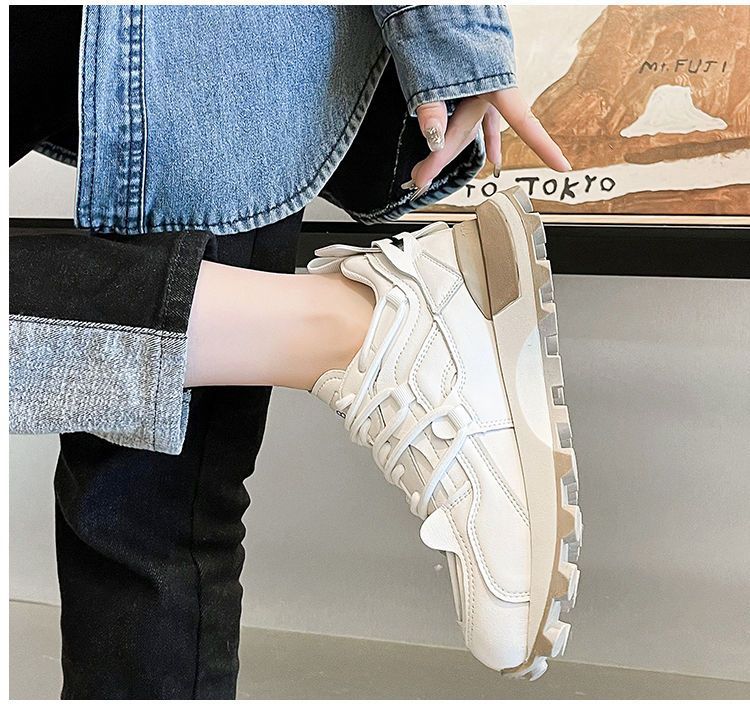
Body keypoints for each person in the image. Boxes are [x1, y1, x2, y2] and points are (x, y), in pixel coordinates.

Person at [9, 5, 579, 698]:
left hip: (205, 41)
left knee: (141, 498)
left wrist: (451, 29)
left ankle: (357, 329)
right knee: (141, 496)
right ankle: (349, 328)